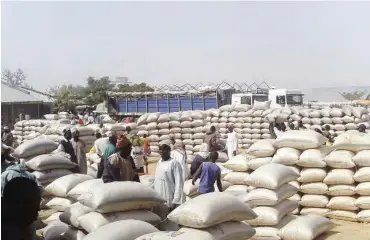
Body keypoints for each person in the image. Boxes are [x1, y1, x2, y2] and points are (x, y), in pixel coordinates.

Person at [153, 142, 185, 219]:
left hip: (169, 197)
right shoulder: (159, 162)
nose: (161, 151)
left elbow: (179, 183)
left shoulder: (174, 163)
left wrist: (175, 201)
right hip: (159, 197)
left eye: (164, 149)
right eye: (160, 149)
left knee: (168, 221)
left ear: (169, 150)